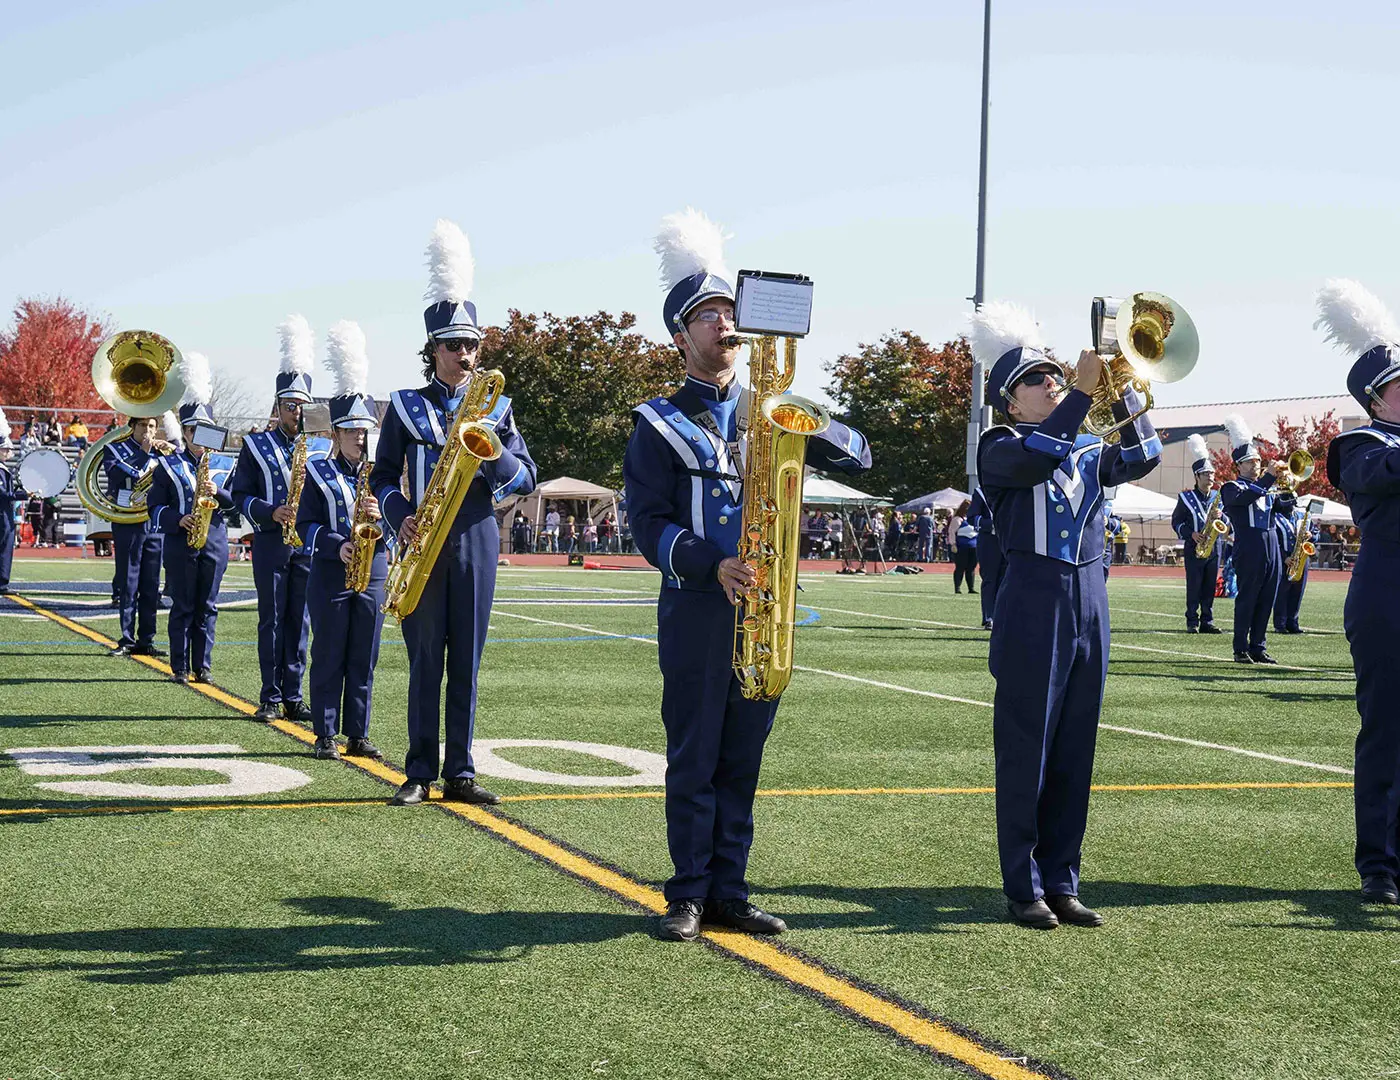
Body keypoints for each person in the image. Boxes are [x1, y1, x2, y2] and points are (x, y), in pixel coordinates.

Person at [625, 208, 872, 943]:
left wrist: (799, 414)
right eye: (706, 317)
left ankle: (730, 888)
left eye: (730, 313)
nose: (723, 326)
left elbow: (859, 455)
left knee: (743, 755)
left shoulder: (770, 406)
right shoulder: (657, 421)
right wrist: (710, 563)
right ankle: (687, 893)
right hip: (701, 606)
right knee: (694, 753)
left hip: (766, 606)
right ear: (681, 336)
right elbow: (647, 523)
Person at [971, 300, 1161, 930]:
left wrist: (1128, 394)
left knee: (1077, 745)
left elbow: (1143, 458)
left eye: (1055, 374)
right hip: (1033, 596)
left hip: (1090, 597)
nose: (1050, 383)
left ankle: (1062, 878)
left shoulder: (1080, 445)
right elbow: (1037, 459)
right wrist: (1082, 393)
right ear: (1009, 401)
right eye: (1036, 380)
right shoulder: (999, 445)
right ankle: (1022, 884)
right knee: (1028, 745)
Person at [371, 219, 537, 807]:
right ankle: (417, 769)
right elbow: (382, 473)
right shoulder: (404, 406)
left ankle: (461, 771)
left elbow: (526, 475)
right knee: (424, 662)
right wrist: (399, 516)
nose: (464, 355)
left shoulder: (500, 408)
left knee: (466, 660)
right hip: (421, 540)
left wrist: (490, 454)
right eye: (453, 346)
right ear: (432, 352)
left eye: (471, 346)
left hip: (476, 536)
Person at [1316, 278, 1400, 904]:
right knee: (1388, 729)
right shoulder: (1360, 444)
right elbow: (1384, 476)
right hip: (1387, 589)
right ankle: (1379, 863)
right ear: (1378, 396)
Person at [296, 320, 386, 762]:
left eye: (364, 430)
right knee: (329, 652)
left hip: (375, 572)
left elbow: (406, 518)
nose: (359, 437)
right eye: (351, 430)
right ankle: (325, 733)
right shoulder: (317, 472)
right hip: (332, 571)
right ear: (335, 434)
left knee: (364, 654)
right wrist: (336, 545)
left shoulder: (383, 476)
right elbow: (303, 524)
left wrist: (382, 518)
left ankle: (358, 732)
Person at [231, 316, 316, 722]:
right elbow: (239, 494)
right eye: (289, 405)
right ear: (278, 406)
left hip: (309, 544)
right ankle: (270, 693)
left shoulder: (320, 447)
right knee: (274, 618)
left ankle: (295, 694)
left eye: (302, 405)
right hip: (270, 541)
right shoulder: (255, 444)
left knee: (300, 622)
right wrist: (270, 511)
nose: (296, 412)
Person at [146, 352, 233, 684]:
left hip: (214, 541)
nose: (199, 437)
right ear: (185, 431)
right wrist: (177, 520)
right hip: (181, 543)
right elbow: (154, 508)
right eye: (194, 430)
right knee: (183, 605)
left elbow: (236, 505)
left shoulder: (223, 465)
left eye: (205, 429)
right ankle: (180, 666)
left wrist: (218, 493)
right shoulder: (168, 464)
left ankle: (204, 665)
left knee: (208, 607)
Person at [1220, 413, 1293, 664]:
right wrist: (1269, 477)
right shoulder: (1232, 487)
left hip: (1272, 546)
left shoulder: (1265, 488)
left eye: (1258, 461)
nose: (1256, 466)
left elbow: (1284, 509)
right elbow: (1245, 500)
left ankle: (1258, 647)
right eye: (1250, 462)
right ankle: (1240, 647)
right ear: (1239, 466)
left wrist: (1288, 491)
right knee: (1248, 597)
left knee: (1267, 598)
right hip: (1249, 547)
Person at [104, 413, 176, 657]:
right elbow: (119, 476)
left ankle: (147, 639)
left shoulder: (163, 453)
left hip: (154, 522)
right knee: (128, 581)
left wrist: (173, 451)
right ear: (132, 426)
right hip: (127, 521)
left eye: (152, 426)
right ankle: (126, 638)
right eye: (143, 425)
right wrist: (144, 453)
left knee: (151, 583)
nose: (148, 430)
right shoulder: (115, 449)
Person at [1171, 434, 1224, 634]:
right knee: (1194, 584)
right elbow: (1176, 522)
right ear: (1197, 477)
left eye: (1212, 474)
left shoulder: (1218, 498)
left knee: (1210, 585)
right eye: (1206, 474)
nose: (1210, 477)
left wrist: (1222, 518)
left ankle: (1207, 620)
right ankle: (1192, 620)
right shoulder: (1185, 498)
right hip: (1194, 546)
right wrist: (1190, 534)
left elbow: (1227, 522)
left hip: (1214, 547)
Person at [1273, 501, 1317, 635]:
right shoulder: (1274, 517)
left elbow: (1316, 533)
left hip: (1301, 558)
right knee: (1282, 593)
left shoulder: (1303, 516)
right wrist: (1283, 557)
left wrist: (1311, 535)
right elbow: (1274, 540)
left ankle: (1293, 622)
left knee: (1298, 592)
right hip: (1285, 559)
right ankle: (1280, 623)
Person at [968, 489, 1001, 629]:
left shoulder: (1014, 486)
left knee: (1009, 579)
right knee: (990, 579)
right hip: (989, 541)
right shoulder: (981, 492)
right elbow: (972, 517)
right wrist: (992, 524)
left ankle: (1005, 615)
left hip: (1010, 540)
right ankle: (989, 617)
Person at [0, 408, 24, 594]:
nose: (8, 451)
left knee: (6, 546)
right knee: (3, 547)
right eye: (5, 449)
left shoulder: (4, 468)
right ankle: (1, 582)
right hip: (2, 514)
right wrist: (24, 495)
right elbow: (2, 494)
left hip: (5, 513)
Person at [948, 499, 978, 593]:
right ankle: (957, 588)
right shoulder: (957, 519)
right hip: (962, 547)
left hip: (974, 547)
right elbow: (951, 532)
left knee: (971, 568)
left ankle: (971, 588)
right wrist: (953, 544)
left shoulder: (974, 519)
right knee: (960, 568)